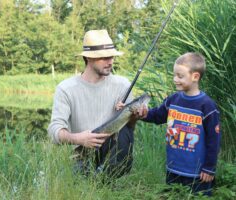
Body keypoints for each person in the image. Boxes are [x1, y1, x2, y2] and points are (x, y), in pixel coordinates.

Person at [47, 29, 141, 178]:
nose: (110, 62)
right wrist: (79, 139)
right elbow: (54, 132)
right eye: (104, 57)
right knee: (79, 177)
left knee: (123, 132)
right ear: (88, 58)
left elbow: (129, 129)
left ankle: (110, 179)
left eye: (111, 57)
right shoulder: (65, 89)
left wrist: (134, 116)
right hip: (81, 157)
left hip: (113, 153)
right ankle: (97, 179)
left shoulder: (123, 85)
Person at [141, 52, 221, 196]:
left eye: (180, 76)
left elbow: (213, 141)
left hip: (198, 174)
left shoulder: (207, 106)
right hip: (174, 168)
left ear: (195, 76)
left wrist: (209, 168)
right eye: (174, 75)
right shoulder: (173, 99)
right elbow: (157, 116)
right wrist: (140, 113)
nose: (175, 79)